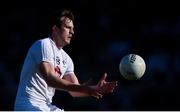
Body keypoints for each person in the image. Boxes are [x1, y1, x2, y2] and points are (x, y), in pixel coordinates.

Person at [14, 9, 118, 111]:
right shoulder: (43, 44)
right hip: (28, 105)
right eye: (68, 28)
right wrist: (82, 88)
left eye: (72, 28)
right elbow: (50, 79)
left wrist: (95, 88)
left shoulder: (66, 59)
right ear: (55, 29)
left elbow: (75, 91)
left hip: (46, 107)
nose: (72, 32)